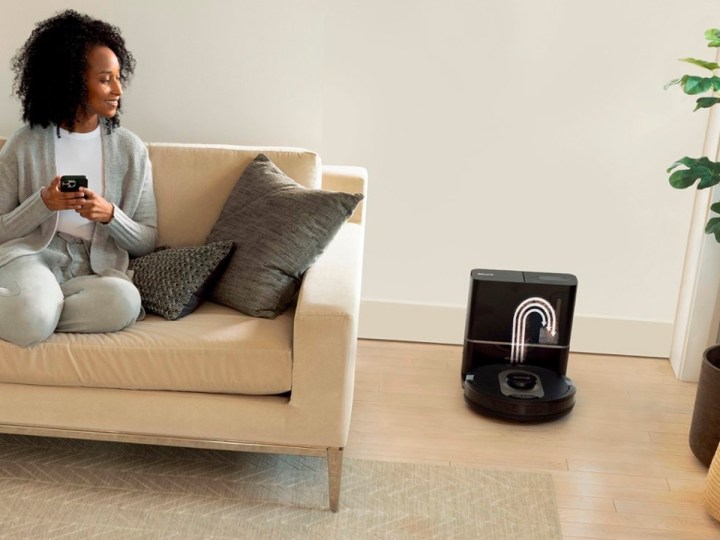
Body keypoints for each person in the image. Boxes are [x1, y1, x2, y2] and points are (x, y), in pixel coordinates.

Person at [0, 10, 157, 347]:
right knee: (30, 319)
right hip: (33, 256)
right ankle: (32, 310)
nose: (118, 89)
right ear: (70, 80)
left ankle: (37, 310)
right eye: (105, 79)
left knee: (125, 302)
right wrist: (42, 203)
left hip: (92, 269)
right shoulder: (23, 144)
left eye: (119, 77)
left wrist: (111, 216)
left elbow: (148, 240)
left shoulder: (131, 150)